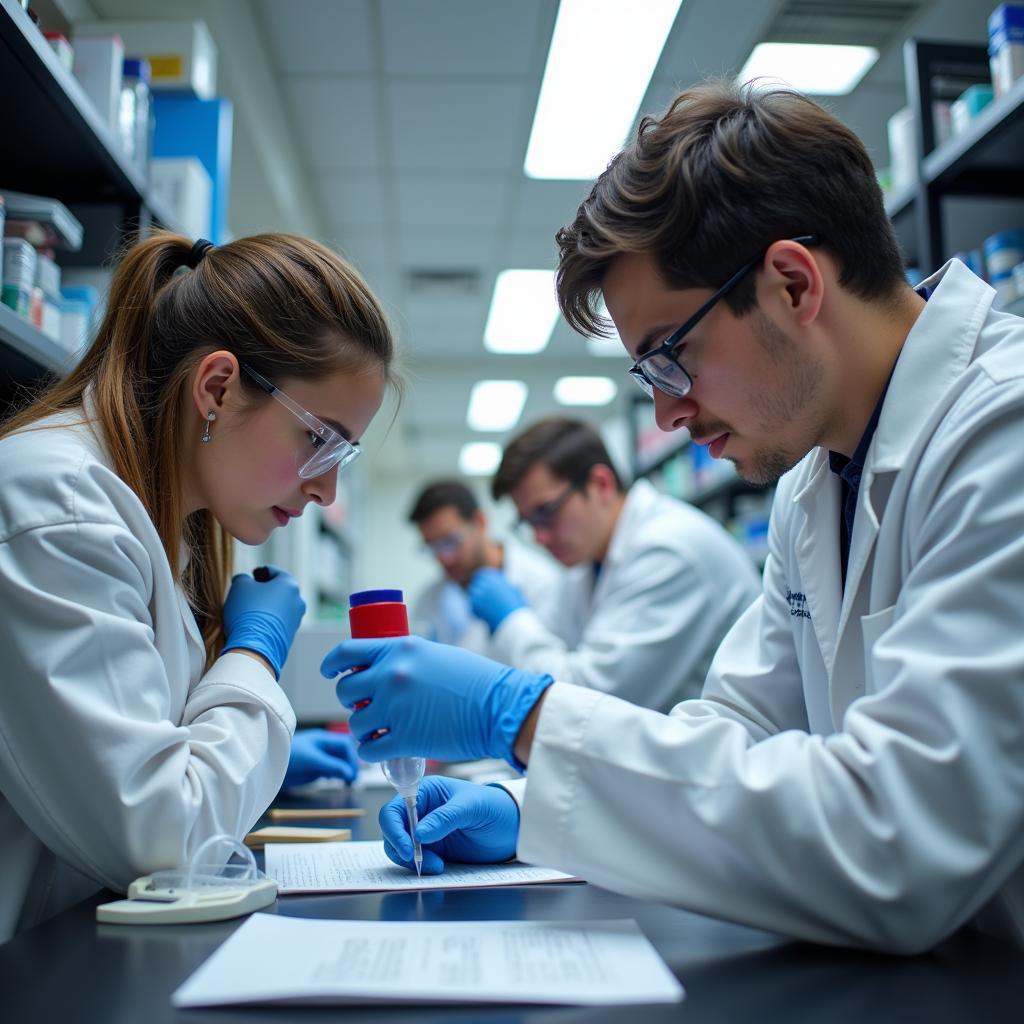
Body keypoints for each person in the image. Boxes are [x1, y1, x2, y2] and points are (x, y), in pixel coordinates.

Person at [322, 79, 1024, 953]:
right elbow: (740, 726)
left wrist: (525, 715)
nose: (665, 417)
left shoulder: (1004, 434)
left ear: (792, 285)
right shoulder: (813, 481)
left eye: (670, 356)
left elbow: (900, 837)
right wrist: (524, 803)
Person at [0, 231, 396, 941]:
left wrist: (258, 768)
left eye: (346, 453)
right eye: (319, 440)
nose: (329, 489)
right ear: (216, 388)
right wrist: (253, 656)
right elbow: (166, 841)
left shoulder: (164, 520)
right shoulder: (55, 504)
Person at [472, 416, 759, 710]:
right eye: (528, 522)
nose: (539, 537)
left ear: (601, 484)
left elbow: (588, 701)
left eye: (545, 512)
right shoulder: (585, 563)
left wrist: (512, 621)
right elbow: (555, 656)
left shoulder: (668, 550)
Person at [408, 479, 561, 655]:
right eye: (432, 547)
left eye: (450, 541)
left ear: (480, 521)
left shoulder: (542, 582)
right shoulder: (429, 600)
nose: (444, 558)